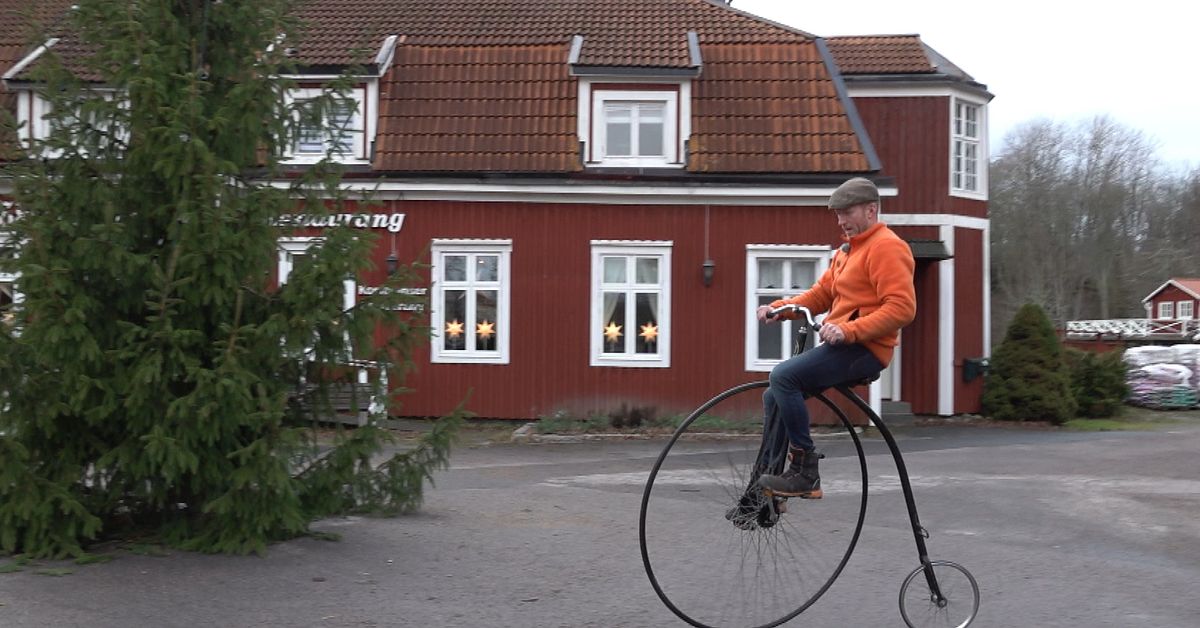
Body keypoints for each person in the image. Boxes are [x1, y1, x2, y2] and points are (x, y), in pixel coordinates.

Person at [753, 177, 916, 501]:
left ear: (871, 210)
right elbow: (822, 294)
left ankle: (805, 471)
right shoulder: (846, 252)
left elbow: (902, 308)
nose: (841, 221)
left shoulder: (887, 247)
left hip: (866, 349)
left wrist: (848, 330)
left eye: (847, 212)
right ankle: (768, 491)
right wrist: (779, 308)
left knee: (783, 376)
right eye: (837, 214)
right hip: (842, 345)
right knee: (775, 396)